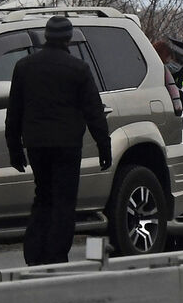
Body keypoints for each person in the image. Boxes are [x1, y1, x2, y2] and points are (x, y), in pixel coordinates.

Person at [6, 15, 111, 265]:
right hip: (67, 145)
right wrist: (103, 146)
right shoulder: (78, 69)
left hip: (36, 145)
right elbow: (93, 111)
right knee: (64, 202)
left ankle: (34, 253)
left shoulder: (24, 67)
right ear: (69, 37)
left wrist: (14, 148)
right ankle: (55, 254)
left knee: (42, 196)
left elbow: (14, 111)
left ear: (46, 36)